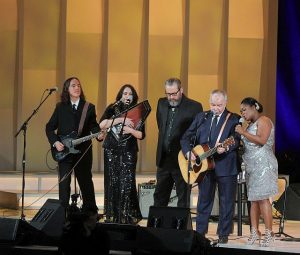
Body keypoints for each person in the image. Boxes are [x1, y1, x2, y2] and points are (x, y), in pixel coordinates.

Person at [180, 89, 240, 244]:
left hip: (226, 166)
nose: (215, 108)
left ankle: (223, 234)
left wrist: (225, 147)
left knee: (226, 201)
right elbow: (186, 137)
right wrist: (188, 153)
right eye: (213, 104)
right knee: (203, 201)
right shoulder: (202, 117)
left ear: (225, 102)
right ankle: (200, 233)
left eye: (219, 105)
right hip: (204, 167)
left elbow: (237, 139)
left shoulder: (234, 119)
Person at [46, 77, 101, 214]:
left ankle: (90, 213)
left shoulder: (89, 107)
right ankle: (62, 214)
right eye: (73, 85)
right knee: (64, 184)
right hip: (64, 150)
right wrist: (55, 142)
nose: (77, 88)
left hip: (83, 151)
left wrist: (99, 134)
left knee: (86, 181)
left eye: (78, 85)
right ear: (67, 89)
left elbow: (94, 127)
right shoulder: (60, 107)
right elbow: (49, 127)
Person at [153, 78, 203, 208]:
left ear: (181, 90)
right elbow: (161, 126)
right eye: (168, 94)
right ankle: (158, 227)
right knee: (159, 196)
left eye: (174, 94)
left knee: (183, 198)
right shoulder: (161, 103)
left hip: (183, 160)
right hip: (164, 160)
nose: (171, 97)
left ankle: (181, 228)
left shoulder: (194, 107)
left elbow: (197, 134)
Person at [235, 97, 278, 247]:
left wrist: (242, 132)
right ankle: (254, 232)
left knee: (263, 199)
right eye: (241, 111)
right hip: (252, 166)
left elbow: (261, 140)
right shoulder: (249, 125)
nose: (243, 113)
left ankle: (268, 233)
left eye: (245, 110)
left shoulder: (264, 120)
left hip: (264, 165)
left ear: (254, 107)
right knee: (253, 200)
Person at [99, 84, 144, 224]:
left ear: (133, 97)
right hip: (111, 149)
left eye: (130, 94)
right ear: (120, 95)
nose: (127, 96)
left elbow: (141, 135)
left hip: (129, 150)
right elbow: (102, 125)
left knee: (127, 183)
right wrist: (118, 120)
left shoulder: (138, 111)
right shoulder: (112, 107)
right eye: (124, 93)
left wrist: (130, 130)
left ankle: (127, 215)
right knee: (112, 181)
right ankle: (113, 215)